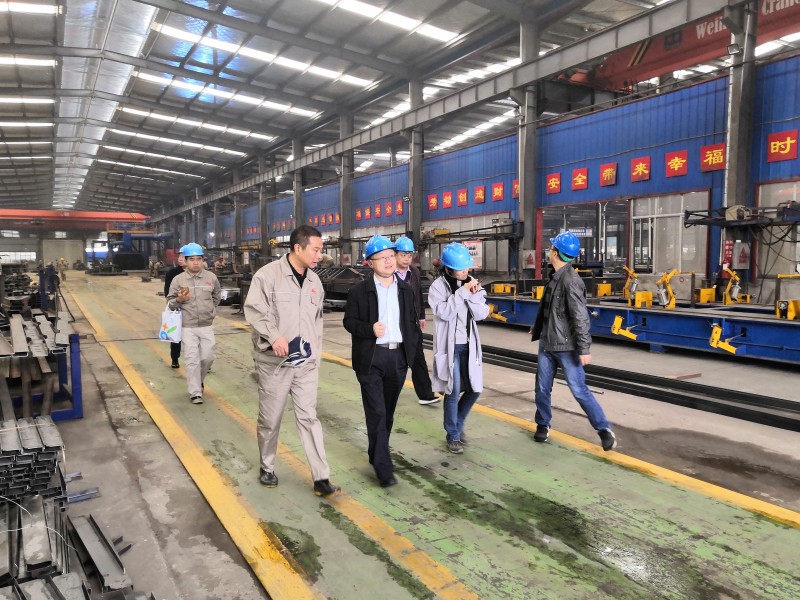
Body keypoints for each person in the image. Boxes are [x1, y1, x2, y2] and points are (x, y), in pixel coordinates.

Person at [243, 225, 338, 497]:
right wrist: (274, 337)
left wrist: (315, 357)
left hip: (305, 363)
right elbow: (255, 310)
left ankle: (321, 477)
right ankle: (267, 466)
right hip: (275, 363)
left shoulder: (314, 282)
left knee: (309, 417)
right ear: (298, 248)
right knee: (271, 419)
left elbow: (316, 323)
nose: (320, 255)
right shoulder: (268, 276)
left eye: (321, 250)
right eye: (316, 250)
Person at [530, 231, 617, 451]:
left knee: (579, 389)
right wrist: (538, 327)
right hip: (547, 343)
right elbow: (550, 309)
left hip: (567, 347)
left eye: (551, 248)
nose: (548, 251)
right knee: (542, 388)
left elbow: (580, 317)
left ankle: (604, 430)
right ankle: (543, 424)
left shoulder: (571, 281)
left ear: (556, 253)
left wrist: (584, 348)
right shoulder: (554, 276)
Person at [344, 235, 418, 487]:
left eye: (391, 256)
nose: (388, 261)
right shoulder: (359, 292)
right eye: (382, 257)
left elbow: (411, 325)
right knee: (376, 411)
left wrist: (411, 357)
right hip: (371, 358)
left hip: (397, 358)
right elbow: (349, 322)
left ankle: (375, 452)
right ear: (370, 263)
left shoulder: (406, 290)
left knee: (387, 413)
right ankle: (384, 469)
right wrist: (369, 329)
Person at [428, 243, 489, 454]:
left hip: (469, 347)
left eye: (466, 268)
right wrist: (462, 293)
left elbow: (482, 314)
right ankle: (453, 435)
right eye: (460, 269)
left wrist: (472, 295)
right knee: (452, 391)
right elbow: (444, 312)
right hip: (450, 348)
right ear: (449, 268)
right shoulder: (438, 287)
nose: (465, 272)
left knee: (475, 389)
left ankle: (458, 423)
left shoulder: (472, 283)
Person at [167, 243, 221, 405]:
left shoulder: (211, 278)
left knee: (207, 357)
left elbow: (216, 296)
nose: (196, 263)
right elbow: (170, 303)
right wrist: (179, 299)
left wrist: (211, 310)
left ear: (203, 260)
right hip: (188, 326)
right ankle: (195, 392)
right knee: (192, 359)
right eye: (192, 259)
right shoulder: (178, 280)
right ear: (185, 261)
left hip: (206, 325)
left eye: (199, 259)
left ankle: (199, 381)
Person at [394, 236, 439, 405]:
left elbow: (418, 294)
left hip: (412, 323)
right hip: (395, 323)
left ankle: (426, 394)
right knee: (398, 361)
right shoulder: (389, 273)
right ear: (395, 254)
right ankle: (388, 394)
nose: (407, 259)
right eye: (403, 255)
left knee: (418, 358)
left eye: (409, 255)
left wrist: (421, 315)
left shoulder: (414, 272)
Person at [163, 250, 186, 369]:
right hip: (177, 308)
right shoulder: (172, 273)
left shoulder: (200, 274)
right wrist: (175, 302)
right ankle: (175, 358)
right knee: (176, 335)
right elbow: (167, 293)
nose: (180, 259)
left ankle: (201, 360)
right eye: (179, 256)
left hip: (193, 310)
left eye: (183, 256)